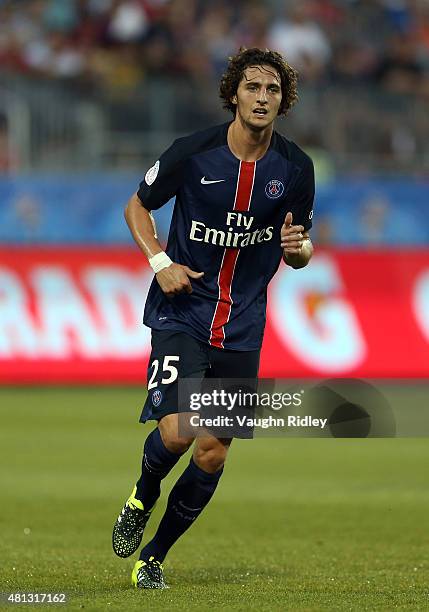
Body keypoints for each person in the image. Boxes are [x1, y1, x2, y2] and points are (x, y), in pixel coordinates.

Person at [112, 47, 315, 589]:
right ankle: (143, 494)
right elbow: (137, 207)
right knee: (179, 432)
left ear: (283, 102)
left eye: (273, 90)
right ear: (234, 94)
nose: (262, 98)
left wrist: (299, 251)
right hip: (184, 311)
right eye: (253, 87)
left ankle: (152, 557)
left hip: (244, 323)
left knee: (213, 448)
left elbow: (299, 249)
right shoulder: (193, 153)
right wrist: (160, 262)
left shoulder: (296, 167)